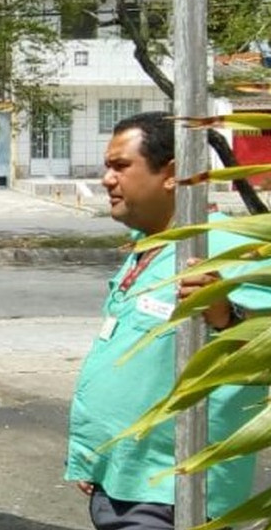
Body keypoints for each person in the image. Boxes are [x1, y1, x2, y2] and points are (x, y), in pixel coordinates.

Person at [66, 110, 271, 529]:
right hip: (120, 482)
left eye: (121, 166)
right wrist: (97, 455)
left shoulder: (227, 245)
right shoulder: (147, 245)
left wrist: (227, 315)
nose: (107, 179)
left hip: (176, 493)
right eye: (107, 166)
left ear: (171, 174)